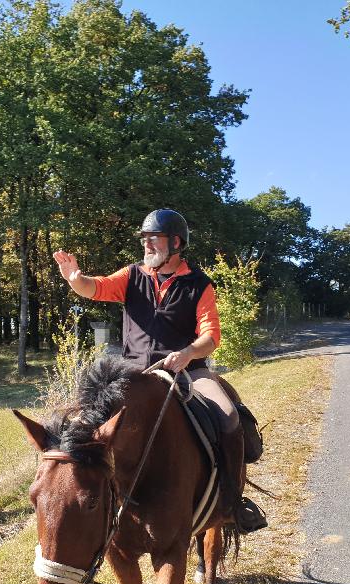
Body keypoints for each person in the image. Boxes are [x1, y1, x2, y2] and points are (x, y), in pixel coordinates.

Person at [52, 208, 267, 533]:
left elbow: (211, 336)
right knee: (81, 427)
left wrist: (188, 353)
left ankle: (232, 503)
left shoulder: (199, 285)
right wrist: (75, 279)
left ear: (176, 243)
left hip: (188, 373)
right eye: (145, 240)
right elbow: (96, 288)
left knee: (228, 416)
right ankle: (83, 505)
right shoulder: (131, 276)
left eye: (155, 239)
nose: (147, 246)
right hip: (133, 376)